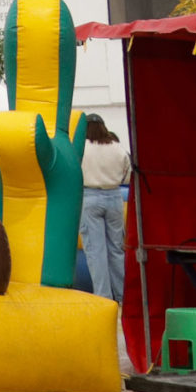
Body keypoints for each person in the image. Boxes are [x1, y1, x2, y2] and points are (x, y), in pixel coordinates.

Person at [79, 115, 130, 305]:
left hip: (90, 197)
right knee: (116, 249)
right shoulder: (117, 147)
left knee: (96, 251)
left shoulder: (82, 148)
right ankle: (123, 296)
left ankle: (104, 298)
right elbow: (126, 172)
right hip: (114, 196)